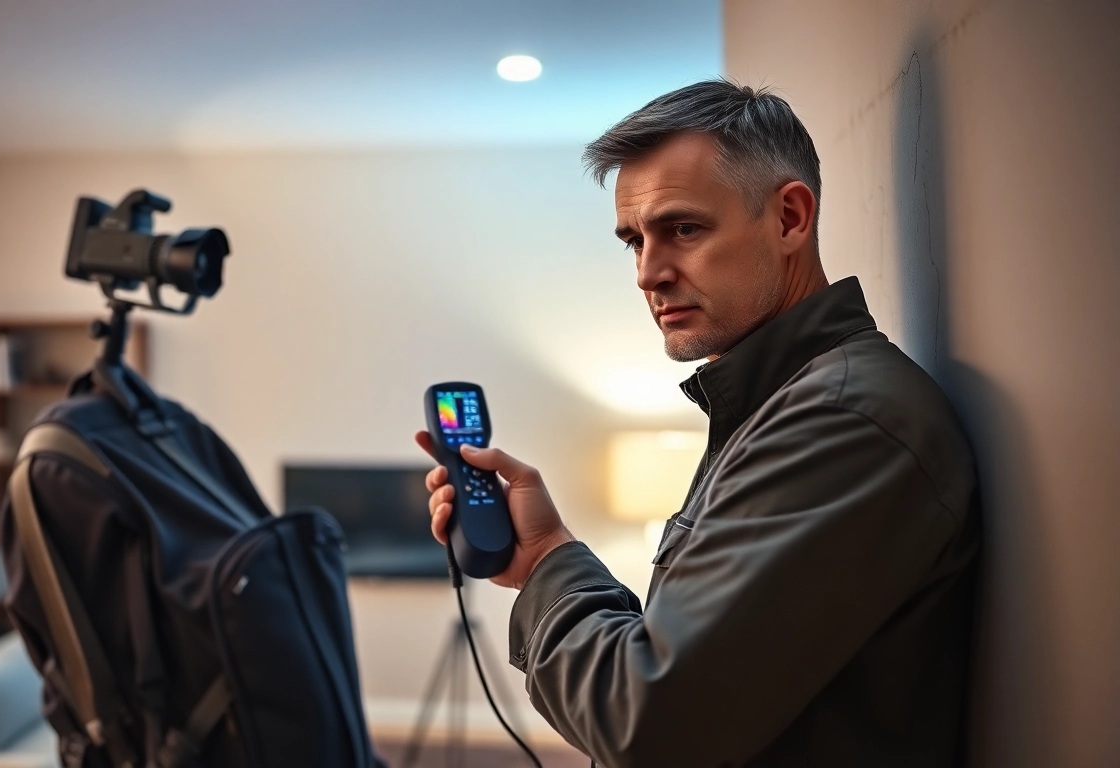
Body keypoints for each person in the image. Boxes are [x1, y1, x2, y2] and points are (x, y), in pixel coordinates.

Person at [414, 80, 979, 767]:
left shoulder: (842, 421)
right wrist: (542, 554)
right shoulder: (783, 404)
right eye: (634, 241)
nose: (648, 273)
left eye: (683, 229)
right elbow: (674, 672)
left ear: (790, 218)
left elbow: (649, 724)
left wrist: (548, 570)